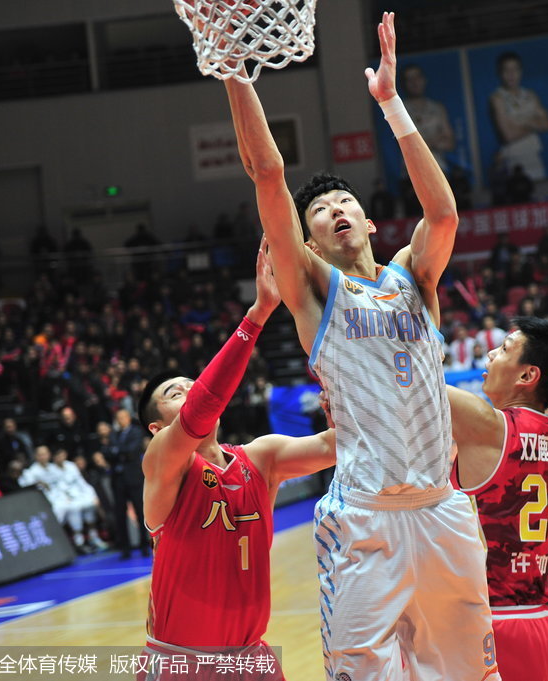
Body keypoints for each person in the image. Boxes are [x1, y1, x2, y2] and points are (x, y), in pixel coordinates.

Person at [223, 13, 499, 680]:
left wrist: (391, 103)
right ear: (308, 242)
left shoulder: (414, 277)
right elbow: (267, 172)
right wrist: (232, 65)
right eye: (321, 211)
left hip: (442, 509)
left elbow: (444, 214)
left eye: (345, 201)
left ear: (370, 222)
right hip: (365, 520)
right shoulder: (315, 293)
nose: (335, 209)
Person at [135, 241, 335, 677]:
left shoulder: (261, 458)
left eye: (191, 384)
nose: (190, 389)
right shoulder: (163, 461)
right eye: (174, 393)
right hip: (182, 662)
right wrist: (258, 314)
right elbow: (202, 408)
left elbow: (335, 446)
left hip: (252, 658)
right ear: (156, 427)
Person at [446, 317, 548, 680]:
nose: (490, 354)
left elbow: (408, 378)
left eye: (504, 349)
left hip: (500, 630)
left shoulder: (489, 425)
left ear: (527, 375)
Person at [489, 51, 548, 181]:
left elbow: (547, 124)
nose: (511, 74)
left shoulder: (530, 95)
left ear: (521, 71)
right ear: (500, 73)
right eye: (507, 70)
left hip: (534, 155)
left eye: (515, 69)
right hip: (513, 158)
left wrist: (519, 123)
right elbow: (509, 135)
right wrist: (533, 122)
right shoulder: (497, 98)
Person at [108, 407, 147, 558]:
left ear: (128, 418)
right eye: (118, 418)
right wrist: (118, 451)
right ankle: (125, 547)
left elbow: (132, 451)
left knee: (140, 512)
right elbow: (107, 452)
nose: (121, 420)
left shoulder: (136, 432)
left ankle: (145, 544)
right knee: (120, 514)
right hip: (118, 479)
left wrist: (116, 450)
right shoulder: (114, 434)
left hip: (134, 478)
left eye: (123, 417)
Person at [402, 63, 455, 172]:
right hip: (413, 171)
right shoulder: (400, 111)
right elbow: (409, 146)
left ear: (424, 80)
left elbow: (450, 143)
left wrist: (424, 143)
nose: (414, 83)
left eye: (417, 77)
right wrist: (437, 140)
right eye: (409, 79)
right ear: (404, 84)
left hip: (439, 168)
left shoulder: (438, 108)